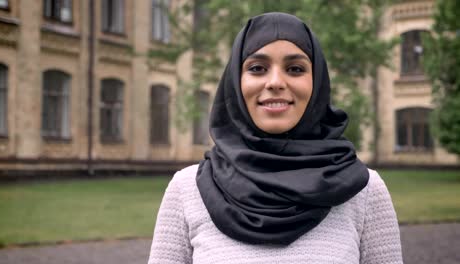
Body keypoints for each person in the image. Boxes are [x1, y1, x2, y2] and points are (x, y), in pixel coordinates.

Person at [147, 12, 403, 264]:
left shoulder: (364, 192)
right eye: (257, 68)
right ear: (236, 82)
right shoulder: (187, 190)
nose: (275, 82)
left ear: (317, 83)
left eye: (295, 68)